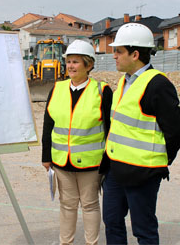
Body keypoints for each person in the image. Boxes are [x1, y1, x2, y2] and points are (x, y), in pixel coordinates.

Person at [101, 23, 180, 244]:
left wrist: (156, 162)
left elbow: (176, 133)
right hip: (115, 171)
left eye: (118, 51)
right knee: (112, 223)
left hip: (142, 174)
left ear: (135, 54)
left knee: (144, 230)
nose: (114, 56)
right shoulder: (123, 82)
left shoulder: (158, 85)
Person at [42, 40, 113, 245]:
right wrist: (46, 156)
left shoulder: (102, 91)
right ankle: (66, 242)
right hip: (62, 161)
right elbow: (49, 124)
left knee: (90, 205)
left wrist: (108, 159)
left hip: (91, 163)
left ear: (88, 65)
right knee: (67, 205)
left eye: (76, 62)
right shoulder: (57, 88)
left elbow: (110, 128)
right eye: (69, 62)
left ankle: (92, 242)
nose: (71, 66)